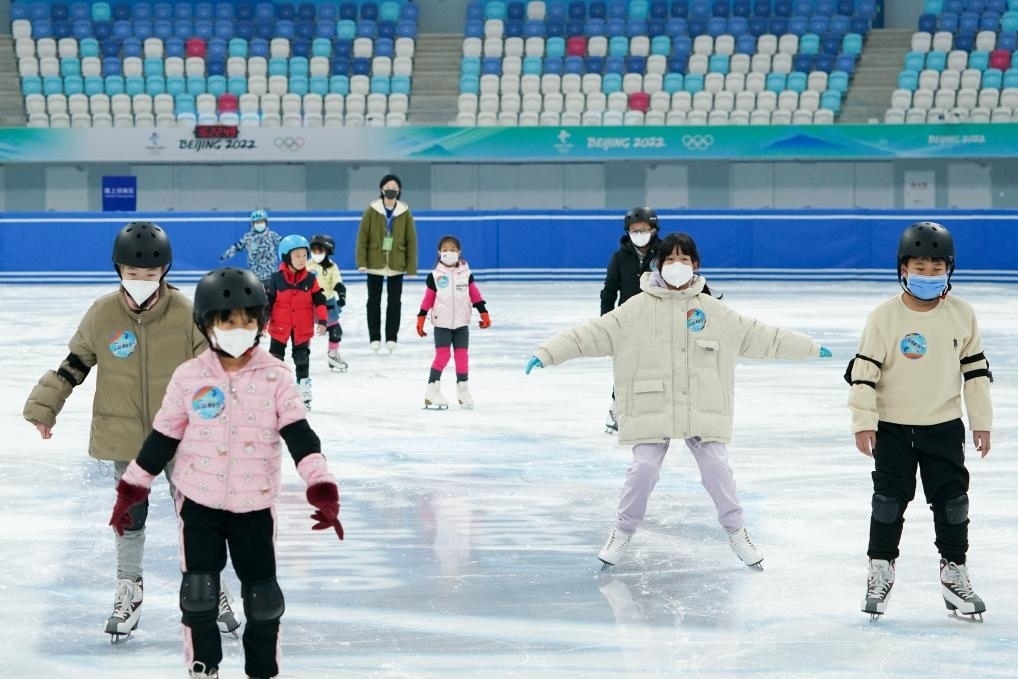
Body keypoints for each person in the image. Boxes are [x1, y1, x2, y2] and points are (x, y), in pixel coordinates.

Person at [524, 232, 832, 569]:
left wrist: (809, 347)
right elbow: (589, 335)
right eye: (670, 259)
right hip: (651, 404)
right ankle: (622, 532)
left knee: (717, 468)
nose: (677, 265)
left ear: (695, 264)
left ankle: (737, 532)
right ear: (658, 265)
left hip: (701, 405)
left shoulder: (714, 311)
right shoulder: (636, 309)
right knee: (643, 469)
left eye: (683, 259)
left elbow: (764, 337)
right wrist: (548, 352)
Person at [108, 266, 344, 679]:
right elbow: (162, 438)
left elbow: (300, 435)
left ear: (260, 323)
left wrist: (320, 484)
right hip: (199, 503)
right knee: (199, 593)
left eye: (248, 320)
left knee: (263, 598)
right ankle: (203, 667)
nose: (239, 329)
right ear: (206, 324)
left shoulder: (275, 376)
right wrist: (131, 490)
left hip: (255, 506)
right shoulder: (189, 377)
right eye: (227, 320)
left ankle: (262, 670)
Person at [22, 222, 239, 640]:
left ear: (164, 271)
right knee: (130, 514)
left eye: (150, 273)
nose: (141, 280)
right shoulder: (102, 313)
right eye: (133, 273)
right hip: (125, 437)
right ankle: (129, 588)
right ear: (118, 270)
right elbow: (75, 364)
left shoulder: (185, 312)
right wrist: (45, 407)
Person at [846, 221, 992, 621]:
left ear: (949, 270)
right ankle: (880, 568)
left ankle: (953, 571)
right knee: (888, 502)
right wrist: (863, 421)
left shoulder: (962, 314)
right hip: (893, 428)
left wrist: (981, 422)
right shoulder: (884, 317)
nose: (928, 275)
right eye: (920, 268)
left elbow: (976, 374)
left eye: (936, 268)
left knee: (953, 503)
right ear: (903, 269)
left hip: (944, 427)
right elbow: (864, 374)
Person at [599, 206, 663, 434]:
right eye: (634, 230)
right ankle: (618, 409)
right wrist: (606, 325)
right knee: (627, 367)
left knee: (659, 368)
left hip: (659, 321)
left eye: (644, 230)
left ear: (654, 229)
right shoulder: (619, 258)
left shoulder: (665, 255)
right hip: (627, 323)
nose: (639, 234)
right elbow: (609, 292)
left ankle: (658, 413)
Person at [415, 235, 491, 409]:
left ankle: (463, 390)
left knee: (462, 356)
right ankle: (432, 390)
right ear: (439, 253)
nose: (448, 253)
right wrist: (421, 318)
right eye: (445, 250)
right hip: (442, 324)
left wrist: (484, 313)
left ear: (459, 252)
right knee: (443, 355)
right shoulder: (434, 276)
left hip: (461, 323)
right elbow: (428, 299)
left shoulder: (466, 274)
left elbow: (475, 295)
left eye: (452, 250)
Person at [355, 173, 418, 353]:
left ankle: (391, 337)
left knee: (395, 302)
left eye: (394, 188)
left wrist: (411, 267)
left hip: (397, 264)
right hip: (375, 263)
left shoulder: (404, 212)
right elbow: (362, 237)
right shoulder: (372, 210)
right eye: (388, 187)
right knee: (373, 301)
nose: (391, 190)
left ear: (399, 190)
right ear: (381, 189)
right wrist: (362, 262)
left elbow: (411, 240)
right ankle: (374, 337)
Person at [266, 235, 328, 410]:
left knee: (302, 359)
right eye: (297, 256)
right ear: (286, 257)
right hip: (280, 325)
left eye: (304, 255)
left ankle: (304, 390)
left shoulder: (310, 279)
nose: (302, 259)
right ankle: (273, 391)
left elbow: (320, 301)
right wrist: (261, 324)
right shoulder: (276, 279)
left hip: (302, 326)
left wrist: (323, 320)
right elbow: (267, 303)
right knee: (275, 359)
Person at [307, 233, 349, 372]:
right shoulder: (307, 265)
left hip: (328, 303)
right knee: (304, 331)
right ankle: (302, 353)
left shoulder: (332, 267)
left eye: (319, 250)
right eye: (314, 250)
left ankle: (333, 355)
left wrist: (341, 295)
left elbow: (337, 282)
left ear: (327, 251)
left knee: (336, 330)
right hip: (309, 304)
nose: (316, 253)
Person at [219, 209, 283, 289]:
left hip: (271, 275)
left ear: (266, 222)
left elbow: (284, 244)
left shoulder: (272, 236)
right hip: (254, 277)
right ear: (252, 224)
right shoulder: (248, 238)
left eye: (261, 222)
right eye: (257, 222)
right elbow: (237, 247)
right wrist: (225, 256)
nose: (259, 224)